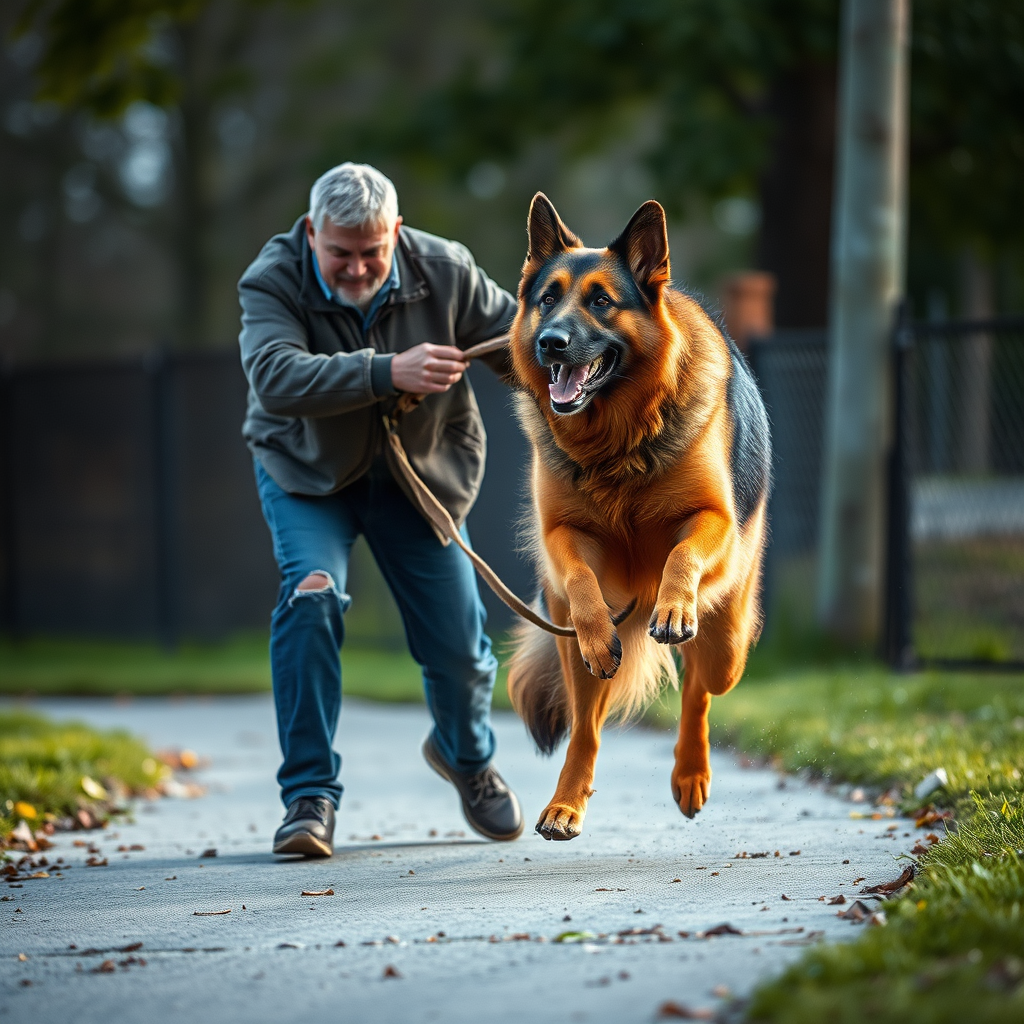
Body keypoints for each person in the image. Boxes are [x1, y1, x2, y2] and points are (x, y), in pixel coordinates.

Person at [238, 162, 523, 857]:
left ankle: (466, 756)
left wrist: (581, 371)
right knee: (312, 598)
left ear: (397, 231)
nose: (359, 268)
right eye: (341, 254)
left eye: (373, 251)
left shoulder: (446, 269)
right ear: (312, 233)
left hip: (418, 479)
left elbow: (525, 342)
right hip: (308, 475)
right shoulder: (271, 278)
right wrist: (384, 370)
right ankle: (309, 798)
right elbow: (273, 375)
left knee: (459, 648)